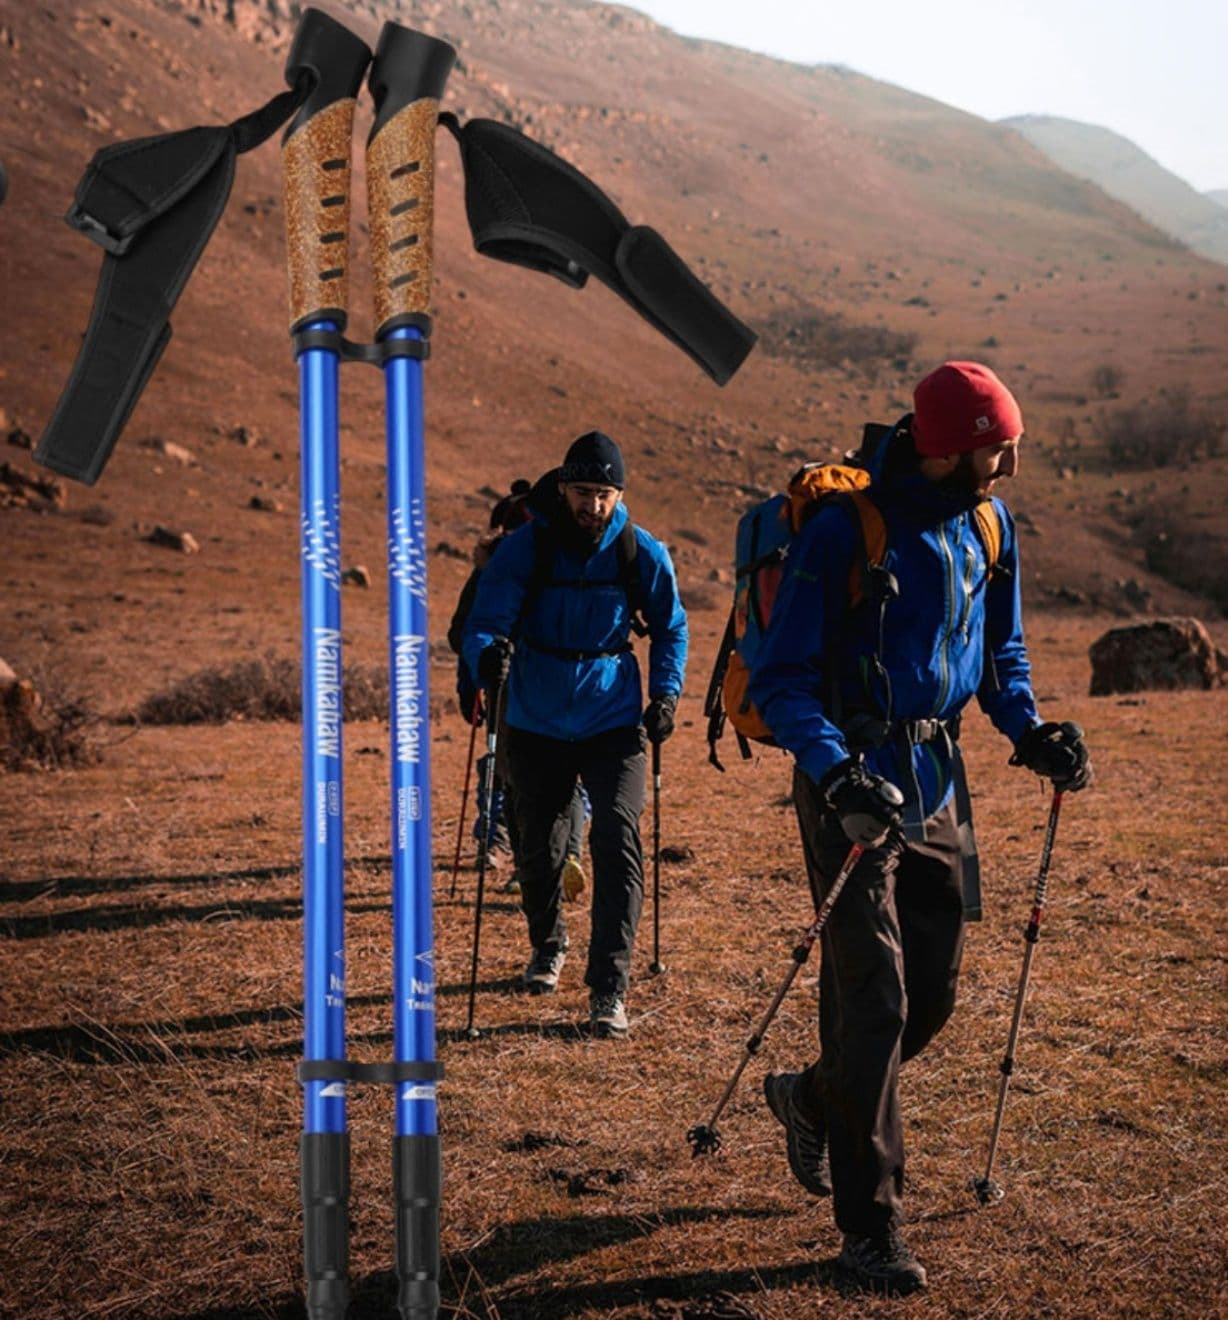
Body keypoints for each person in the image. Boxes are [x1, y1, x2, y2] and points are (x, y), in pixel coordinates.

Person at [747, 362, 1092, 1295]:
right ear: (947, 447)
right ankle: (871, 1228)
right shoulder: (840, 532)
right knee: (875, 1002)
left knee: (930, 995)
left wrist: (1032, 734)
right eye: (997, 449)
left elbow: (999, 654)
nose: (1009, 466)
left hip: (939, 778)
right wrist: (837, 772)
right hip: (850, 788)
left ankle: (814, 1096)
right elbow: (782, 680)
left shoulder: (988, 524)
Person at [462, 431, 687, 1037]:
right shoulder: (524, 550)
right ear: (563, 489)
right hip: (534, 718)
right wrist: (487, 659)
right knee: (538, 846)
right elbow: (483, 623)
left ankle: (608, 989)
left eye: (605, 494)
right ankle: (548, 941)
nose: (594, 506)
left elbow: (672, 628)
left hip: (613, 718)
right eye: (584, 492)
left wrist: (666, 693)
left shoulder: (641, 553)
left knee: (617, 835)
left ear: (620, 495)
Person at [448, 480, 590, 898]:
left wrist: (478, 673)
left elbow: (462, 632)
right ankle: (551, 857)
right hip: (524, 689)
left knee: (519, 776)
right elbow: (466, 633)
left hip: (518, 691)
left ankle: (529, 856)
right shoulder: (541, 559)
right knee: (532, 777)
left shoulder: (494, 567)